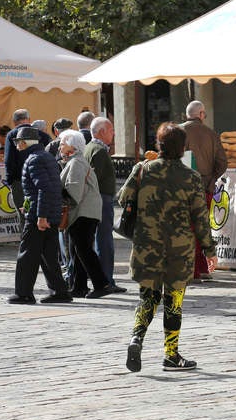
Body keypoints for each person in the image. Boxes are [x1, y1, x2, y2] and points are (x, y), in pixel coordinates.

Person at [119, 122, 216, 372]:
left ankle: (136, 338)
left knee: (147, 298)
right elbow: (200, 217)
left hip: (146, 246)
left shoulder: (143, 170)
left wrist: (139, 169)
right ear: (183, 148)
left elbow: (123, 198)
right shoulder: (191, 177)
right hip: (178, 250)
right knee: (173, 301)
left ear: (158, 145)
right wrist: (209, 250)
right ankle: (171, 355)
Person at [8, 127, 72, 305]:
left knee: (27, 254)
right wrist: (30, 207)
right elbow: (42, 189)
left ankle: (24, 293)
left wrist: (40, 216)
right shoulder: (45, 156)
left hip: (40, 216)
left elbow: (43, 188)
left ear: (24, 142)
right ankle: (60, 291)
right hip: (49, 212)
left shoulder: (34, 159)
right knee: (48, 255)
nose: (16, 145)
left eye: (17, 142)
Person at [58, 130, 117, 299]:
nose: (60, 145)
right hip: (85, 211)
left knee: (83, 249)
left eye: (63, 142)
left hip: (84, 212)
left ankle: (102, 284)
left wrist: (56, 190)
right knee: (78, 249)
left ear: (72, 145)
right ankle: (79, 286)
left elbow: (73, 191)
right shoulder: (74, 161)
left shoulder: (76, 162)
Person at [180, 100, 227, 279]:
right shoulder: (211, 134)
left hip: (182, 189)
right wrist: (212, 180)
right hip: (205, 187)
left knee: (185, 228)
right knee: (202, 229)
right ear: (200, 115)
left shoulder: (178, 132)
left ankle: (190, 270)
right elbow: (222, 162)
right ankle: (201, 269)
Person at [85, 117, 127, 292]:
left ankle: (104, 279)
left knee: (100, 240)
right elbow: (94, 179)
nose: (114, 133)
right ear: (101, 132)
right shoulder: (99, 151)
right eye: (110, 130)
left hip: (98, 199)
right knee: (104, 241)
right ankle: (106, 280)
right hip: (101, 200)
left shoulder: (90, 148)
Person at [4, 109, 51, 224]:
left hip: (19, 181)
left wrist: (11, 181)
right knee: (41, 214)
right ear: (29, 119)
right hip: (40, 181)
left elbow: (9, 161)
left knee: (24, 217)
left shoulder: (11, 135)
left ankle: (27, 241)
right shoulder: (43, 135)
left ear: (14, 122)